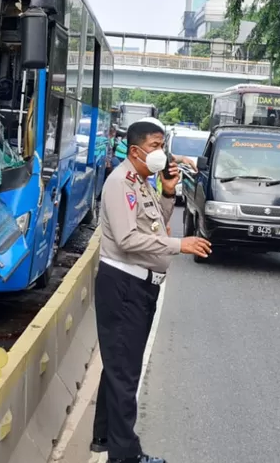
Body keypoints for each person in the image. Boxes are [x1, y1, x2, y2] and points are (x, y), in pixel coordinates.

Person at [91, 117, 212, 463]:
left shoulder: (141, 180)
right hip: (124, 286)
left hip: (139, 288)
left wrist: (169, 191)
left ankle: (106, 438)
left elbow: (154, 221)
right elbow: (129, 240)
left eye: (162, 146)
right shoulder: (119, 184)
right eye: (156, 147)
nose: (162, 153)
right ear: (135, 150)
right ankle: (125, 457)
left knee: (119, 367)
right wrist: (180, 245)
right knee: (125, 375)